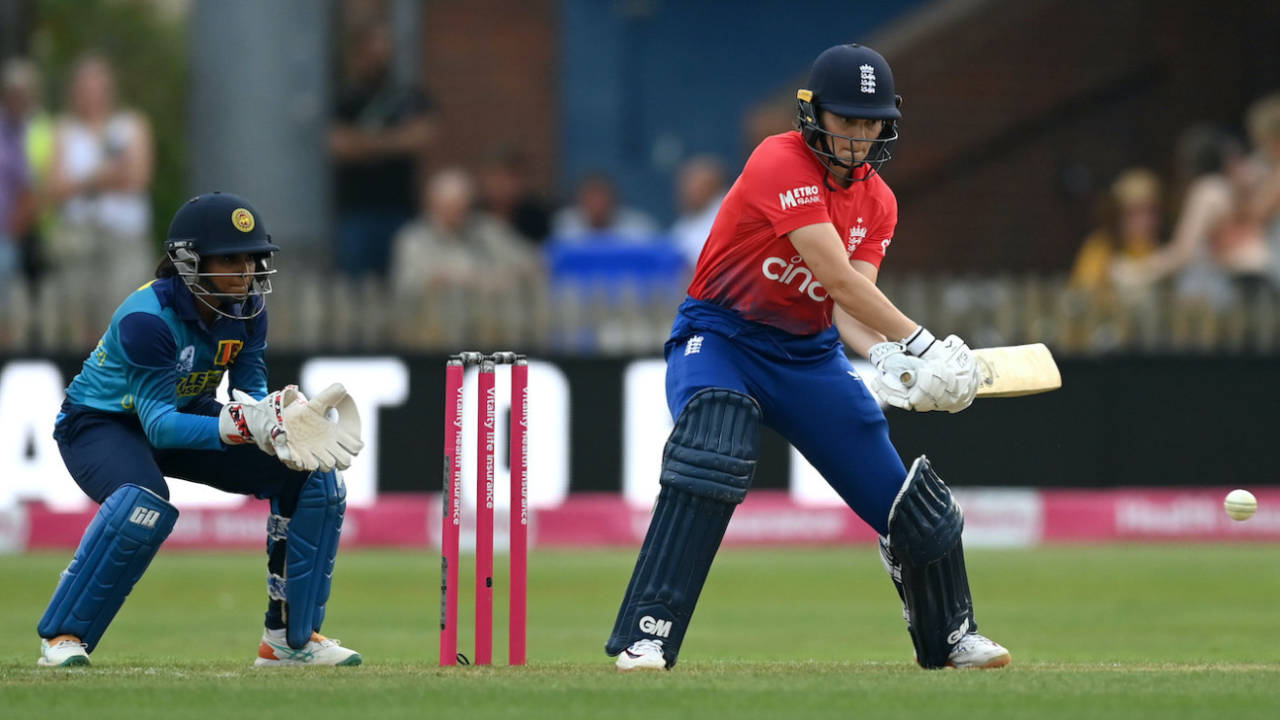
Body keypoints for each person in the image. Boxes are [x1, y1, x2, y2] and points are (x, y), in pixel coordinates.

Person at [605, 43, 1009, 672]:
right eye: (846, 120)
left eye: (870, 123)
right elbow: (836, 275)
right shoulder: (778, 160)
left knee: (912, 509)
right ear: (813, 114)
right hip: (723, 339)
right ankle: (647, 634)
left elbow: (851, 310)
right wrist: (924, 342)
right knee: (714, 446)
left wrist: (903, 363)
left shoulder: (880, 203)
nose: (857, 136)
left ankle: (952, 635)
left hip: (808, 356)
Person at [35, 192, 363, 668]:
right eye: (230, 258)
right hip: (103, 424)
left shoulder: (247, 309)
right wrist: (240, 423)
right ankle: (64, 638)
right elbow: (160, 427)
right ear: (189, 261)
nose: (247, 270)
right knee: (141, 501)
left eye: (253, 258)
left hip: (184, 411)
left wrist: (278, 421)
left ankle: (289, 640)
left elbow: (248, 394)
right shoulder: (148, 320)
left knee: (311, 477)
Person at [45, 54, 155, 342]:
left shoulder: (131, 125)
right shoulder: (64, 130)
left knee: (125, 313)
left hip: (124, 236)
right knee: (78, 314)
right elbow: (54, 187)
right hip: (79, 237)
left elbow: (138, 177)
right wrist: (103, 176)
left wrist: (83, 182)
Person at [330, 23, 436, 279]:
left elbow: (424, 135)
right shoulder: (347, 98)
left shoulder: (405, 95)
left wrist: (366, 142)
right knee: (354, 283)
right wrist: (394, 140)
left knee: (400, 279)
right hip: (356, 212)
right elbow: (339, 145)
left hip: (399, 207)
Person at [388, 167, 541, 346]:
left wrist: (503, 277)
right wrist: (463, 279)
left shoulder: (488, 230)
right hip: (431, 338)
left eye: (460, 206)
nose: (454, 213)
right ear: (431, 204)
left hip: (490, 335)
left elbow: (531, 261)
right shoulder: (413, 239)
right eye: (447, 206)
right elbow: (407, 284)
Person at [550, 171, 659, 243]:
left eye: (602, 197)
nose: (597, 204)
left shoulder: (639, 227)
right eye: (591, 197)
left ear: (614, 200)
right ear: (579, 201)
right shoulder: (565, 224)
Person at [669, 155, 727, 268]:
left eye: (695, 182)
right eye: (686, 182)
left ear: (713, 185)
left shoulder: (727, 213)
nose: (688, 189)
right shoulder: (684, 222)